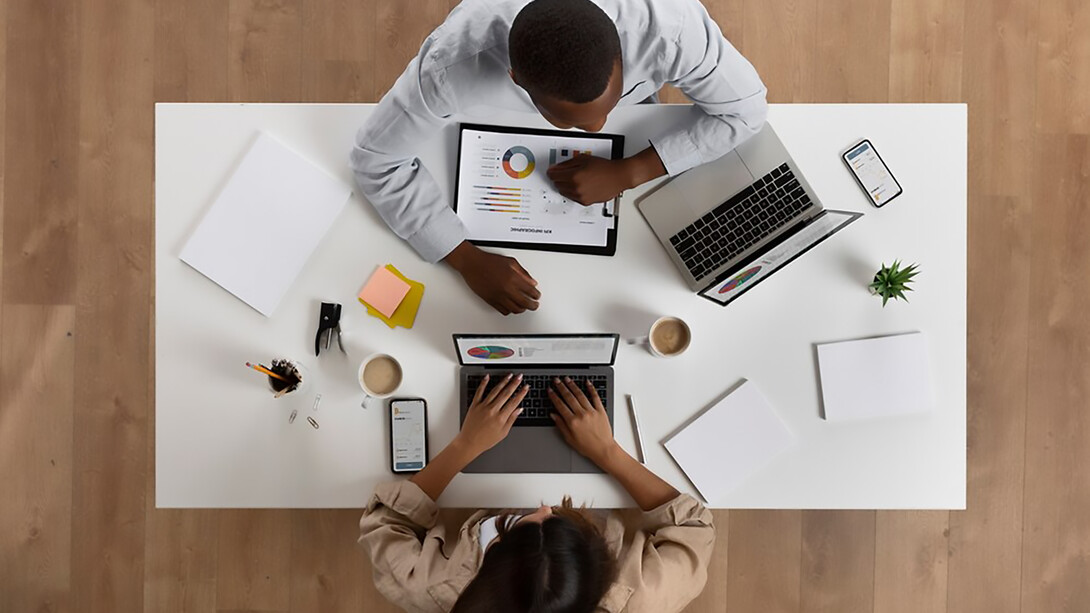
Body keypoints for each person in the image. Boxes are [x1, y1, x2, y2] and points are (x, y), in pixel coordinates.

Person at [351, 0, 768, 315]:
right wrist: (465, 258)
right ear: (517, 79)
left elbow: (746, 110)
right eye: (572, 122)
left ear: (621, 54)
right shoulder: (452, 63)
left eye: (610, 103)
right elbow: (374, 159)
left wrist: (631, 169)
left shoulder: (670, 25)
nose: (600, 130)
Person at [359, 374, 715, 612]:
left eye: (522, 525)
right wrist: (608, 452)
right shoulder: (642, 595)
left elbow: (384, 521)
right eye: (562, 521)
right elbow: (695, 528)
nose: (545, 506)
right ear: (605, 567)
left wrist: (465, 445)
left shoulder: (430, 589)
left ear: (492, 553)